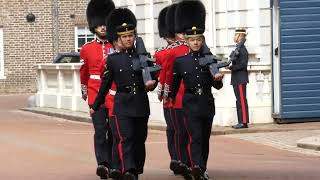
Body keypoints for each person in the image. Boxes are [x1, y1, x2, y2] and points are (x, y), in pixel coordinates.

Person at [91, 8, 157, 180]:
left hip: (141, 102)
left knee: (139, 140)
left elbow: (154, 77)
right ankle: (129, 170)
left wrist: (152, 82)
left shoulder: (144, 57)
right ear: (119, 38)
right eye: (125, 36)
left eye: (131, 36)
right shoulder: (113, 60)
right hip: (122, 103)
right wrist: (96, 105)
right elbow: (105, 85)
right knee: (125, 138)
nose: (128, 39)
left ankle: (137, 168)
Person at [169, 1, 224, 179]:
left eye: (198, 40)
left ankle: (203, 166)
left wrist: (218, 80)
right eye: (192, 40)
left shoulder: (210, 59)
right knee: (195, 137)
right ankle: (196, 167)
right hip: (190, 103)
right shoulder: (181, 61)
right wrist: (169, 98)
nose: (195, 43)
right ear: (187, 41)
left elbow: (217, 86)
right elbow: (175, 83)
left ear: (202, 40)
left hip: (206, 103)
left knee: (205, 138)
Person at [79, 0, 115, 179]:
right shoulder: (86, 48)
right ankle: (103, 163)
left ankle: (114, 163)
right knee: (100, 131)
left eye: (105, 24)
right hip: (95, 92)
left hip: (113, 93)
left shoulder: (116, 46)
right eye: (99, 24)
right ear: (94, 26)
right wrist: (84, 89)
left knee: (114, 131)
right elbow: (84, 71)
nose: (102, 27)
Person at [153, 5, 182, 176]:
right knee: (173, 129)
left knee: (180, 130)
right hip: (171, 98)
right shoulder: (163, 53)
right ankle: (176, 158)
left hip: (182, 96)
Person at [228, 28, 250, 129]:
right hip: (237, 78)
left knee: (241, 100)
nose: (234, 37)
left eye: (235, 35)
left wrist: (231, 67)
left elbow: (243, 65)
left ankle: (244, 121)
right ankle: (240, 121)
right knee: (238, 100)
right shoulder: (238, 48)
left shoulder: (242, 50)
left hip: (240, 78)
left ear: (239, 36)